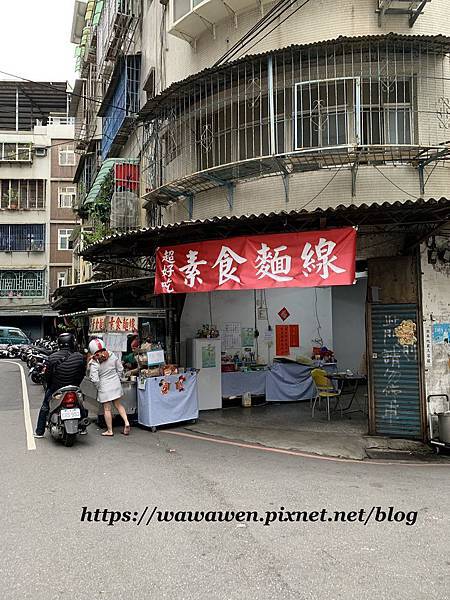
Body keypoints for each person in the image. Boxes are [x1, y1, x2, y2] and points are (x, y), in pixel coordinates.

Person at [34, 332, 86, 438]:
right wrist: (76, 385)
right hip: (73, 387)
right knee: (80, 405)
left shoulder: (52, 357)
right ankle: (83, 428)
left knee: (45, 406)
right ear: (72, 343)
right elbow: (82, 374)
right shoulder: (80, 357)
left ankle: (39, 432)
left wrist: (49, 385)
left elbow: (47, 376)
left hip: (56, 388)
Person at [88, 338, 130, 437]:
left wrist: (98, 387)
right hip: (115, 384)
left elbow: (94, 379)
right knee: (118, 405)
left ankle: (110, 430)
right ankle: (126, 422)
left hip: (104, 386)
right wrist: (118, 378)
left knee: (107, 409)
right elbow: (120, 368)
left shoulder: (94, 362)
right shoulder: (111, 354)